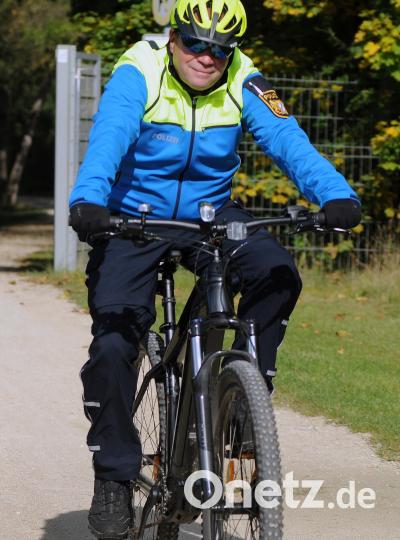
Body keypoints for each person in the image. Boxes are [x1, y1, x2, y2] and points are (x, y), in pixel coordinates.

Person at [67, 0, 361, 536]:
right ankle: (113, 474)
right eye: (197, 43)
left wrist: (335, 195)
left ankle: (244, 396)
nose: (208, 57)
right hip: (135, 215)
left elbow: (286, 140)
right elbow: (109, 136)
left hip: (210, 215)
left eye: (221, 49)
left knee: (277, 273)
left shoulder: (244, 77)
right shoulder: (140, 68)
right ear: (175, 37)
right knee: (114, 343)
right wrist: (89, 199)